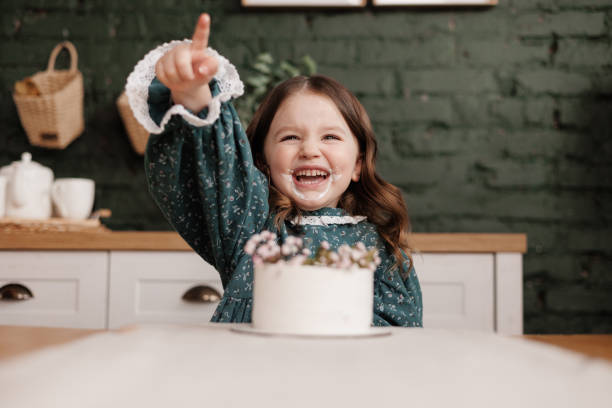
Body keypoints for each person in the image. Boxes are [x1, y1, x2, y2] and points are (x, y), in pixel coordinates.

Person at [126, 13, 423, 327]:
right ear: (264, 161)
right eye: (290, 137)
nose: (309, 149)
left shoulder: (381, 246)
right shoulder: (251, 228)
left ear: (358, 165)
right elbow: (221, 165)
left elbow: (401, 335)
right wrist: (195, 98)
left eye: (330, 137)